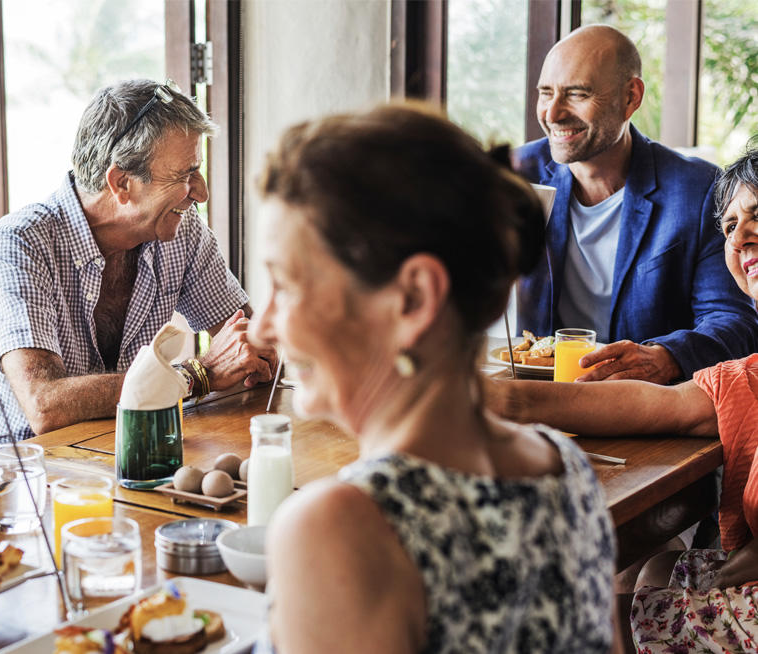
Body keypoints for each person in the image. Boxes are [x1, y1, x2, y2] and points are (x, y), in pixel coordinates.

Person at [250, 103, 616, 653]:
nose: (262, 325)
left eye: (286, 284)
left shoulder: (340, 528)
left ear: (414, 298)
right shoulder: (565, 471)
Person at [493, 141, 758, 652]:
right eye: (729, 226)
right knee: (654, 566)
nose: (740, 236)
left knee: (581, 615)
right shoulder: (748, 376)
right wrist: (504, 398)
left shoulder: (682, 183)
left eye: (756, 216)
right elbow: (655, 406)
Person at [0, 79, 276, 441]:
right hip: (15, 479)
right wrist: (194, 375)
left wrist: (258, 349)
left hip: (121, 456)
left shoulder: (181, 232)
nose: (200, 193)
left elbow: (254, 348)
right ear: (121, 183)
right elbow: (45, 405)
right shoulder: (20, 245)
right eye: (185, 174)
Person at [515, 25, 758, 384]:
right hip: (529, 396)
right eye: (545, 93)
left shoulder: (699, 188)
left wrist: (667, 357)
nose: (552, 113)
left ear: (631, 97)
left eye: (577, 94)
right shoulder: (512, 177)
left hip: (647, 407)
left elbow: (734, 321)